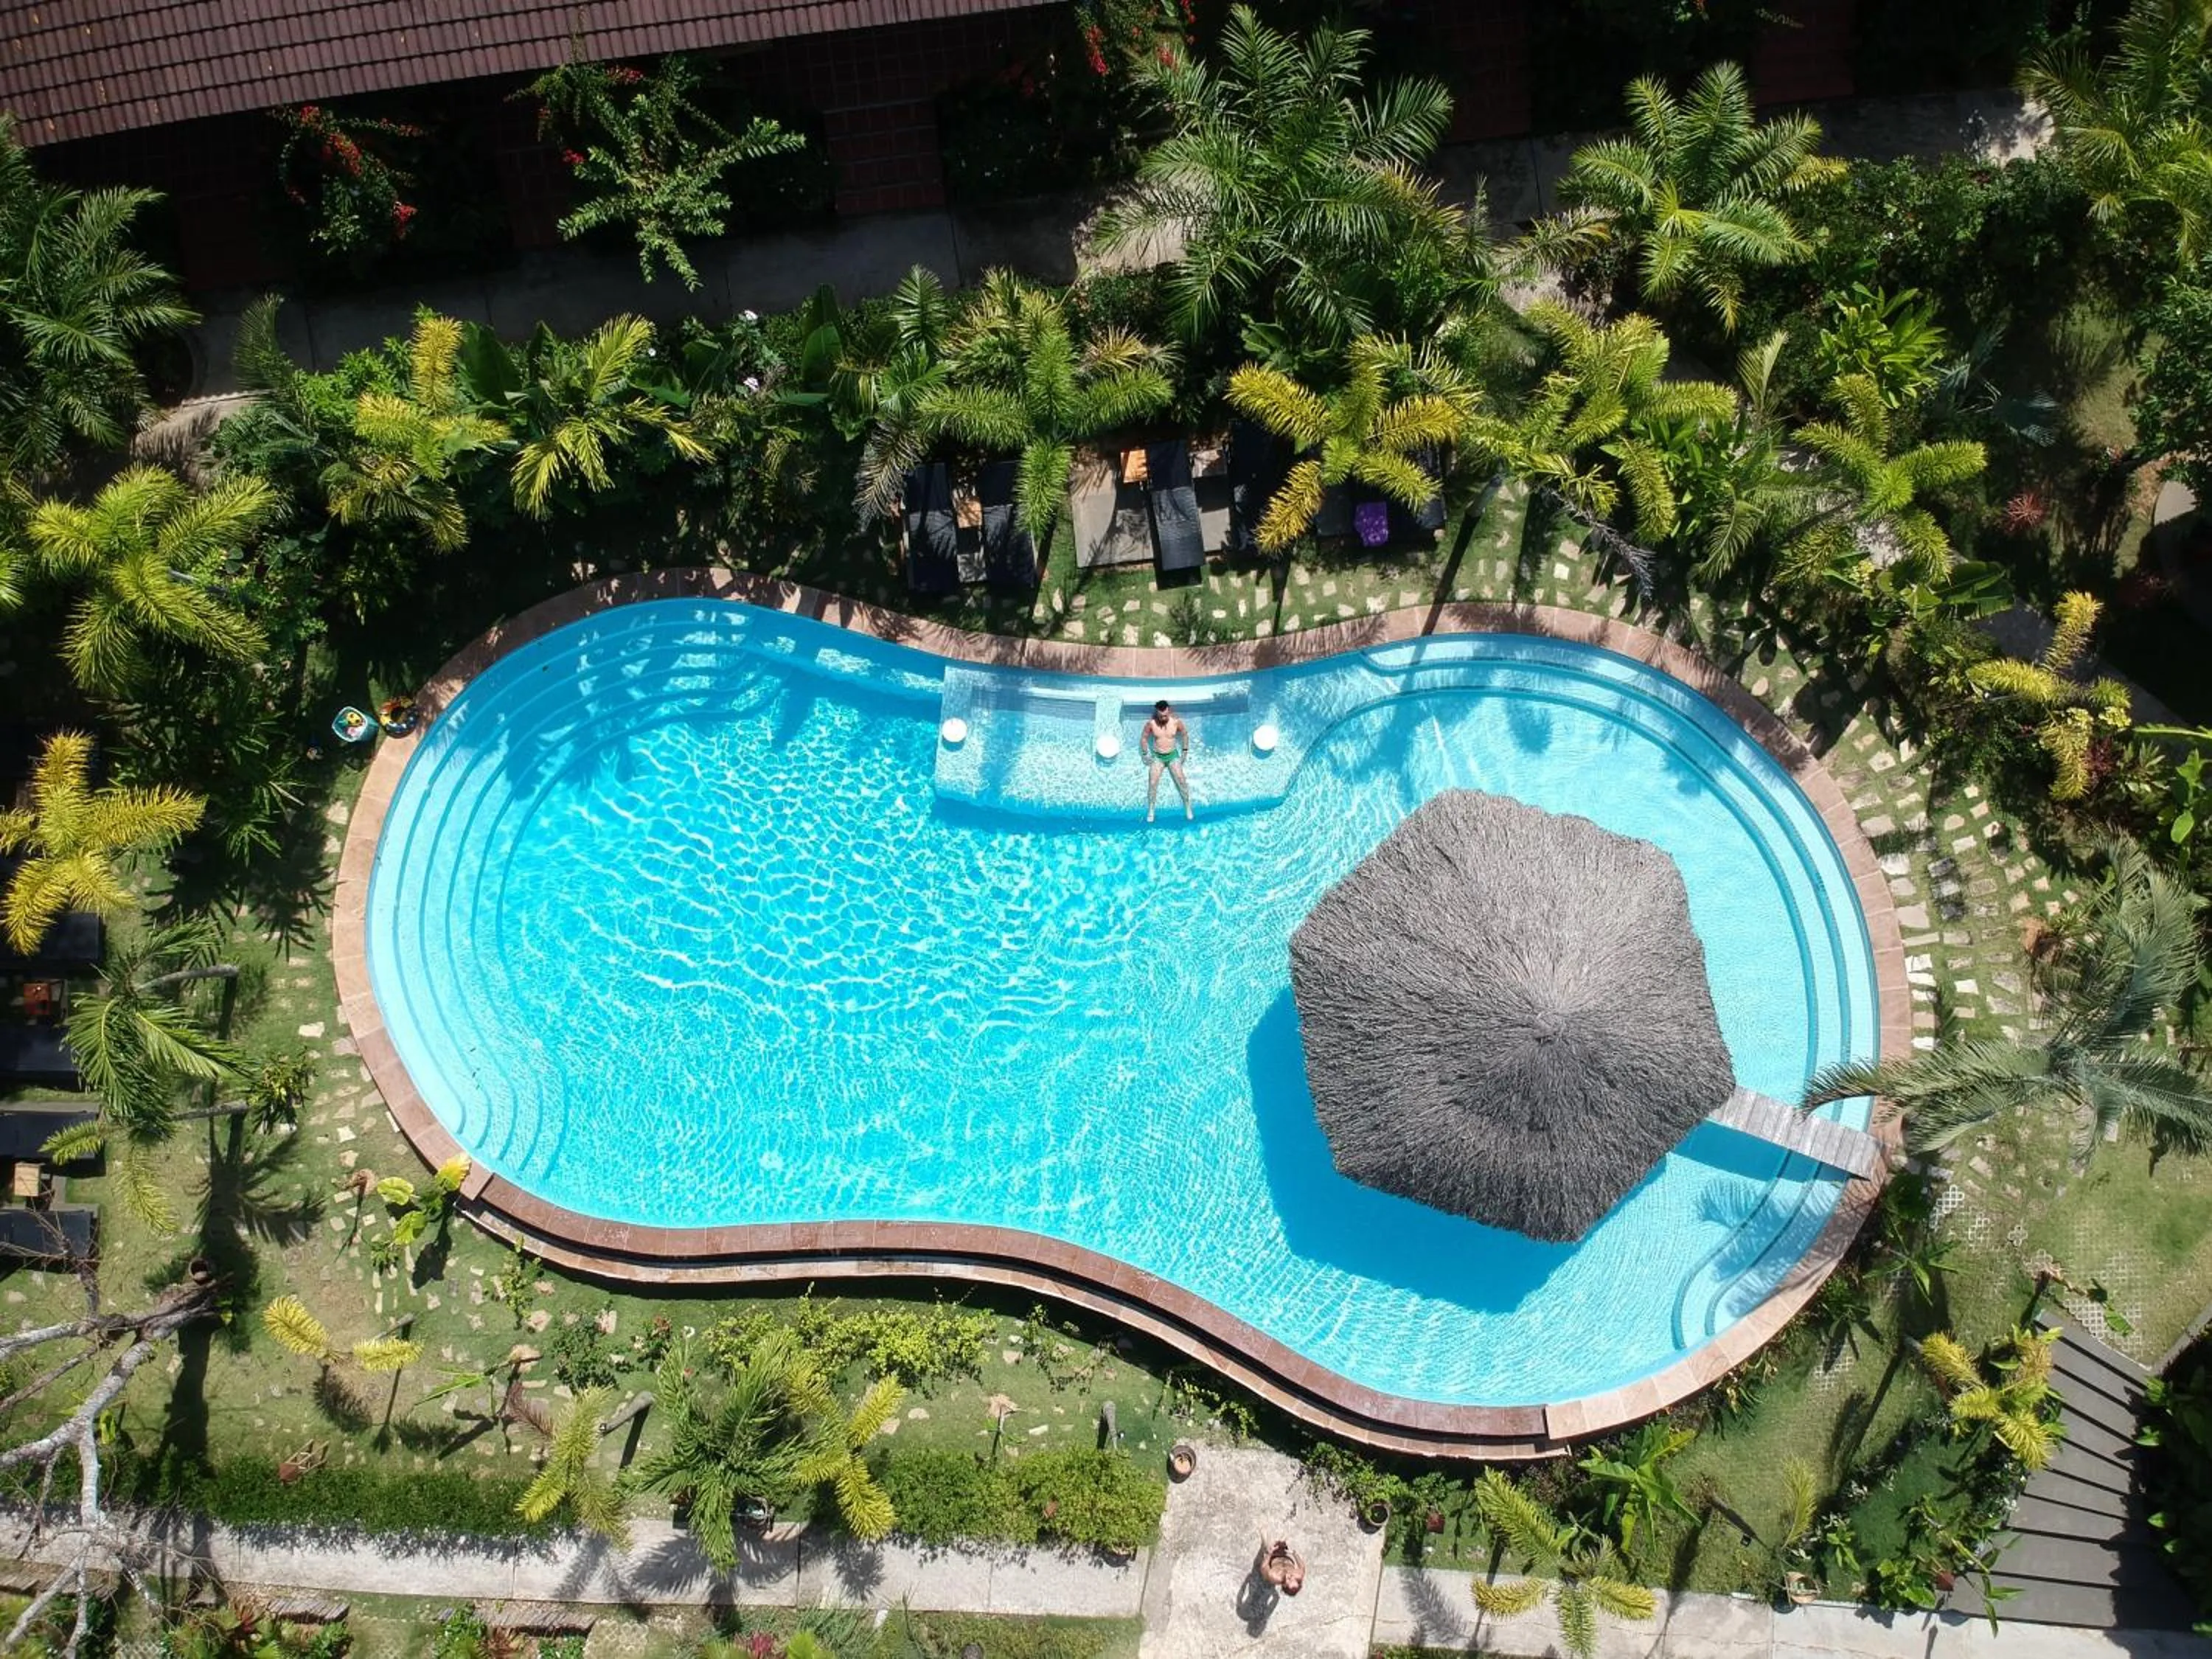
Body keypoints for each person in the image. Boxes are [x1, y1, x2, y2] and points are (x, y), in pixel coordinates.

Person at [1142, 699, 1193, 823]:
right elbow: (1144, 738)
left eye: (1165, 715)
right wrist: (1145, 754)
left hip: (1172, 755)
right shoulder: (1151, 724)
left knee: (1182, 781)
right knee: (1153, 783)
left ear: (1169, 711)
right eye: (1161, 716)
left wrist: (1185, 751)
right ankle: (1151, 809)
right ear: (1157, 713)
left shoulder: (1176, 722)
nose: (1163, 718)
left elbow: (1185, 734)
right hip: (1158, 757)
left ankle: (1187, 806)